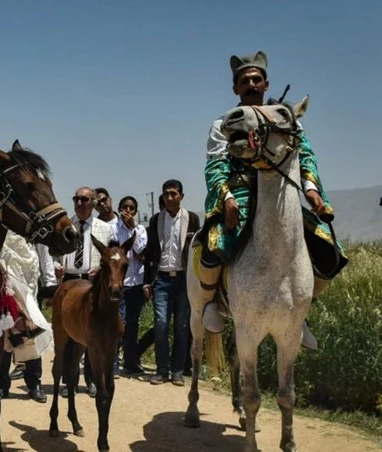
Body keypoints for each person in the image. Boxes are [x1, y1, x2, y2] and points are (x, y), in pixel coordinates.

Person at [198, 51, 348, 350]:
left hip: (281, 196)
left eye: (256, 79)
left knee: (329, 252)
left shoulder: (285, 117)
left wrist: (312, 189)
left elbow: (304, 155)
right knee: (213, 245)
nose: (251, 84)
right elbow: (216, 165)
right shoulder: (224, 123)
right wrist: (226, 197)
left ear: (266, 83)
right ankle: (211, 301)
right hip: (239, 193)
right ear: (235, 88)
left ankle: (300, 313)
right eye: (244, 81)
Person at [53, 187, 117, 397]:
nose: (79, 203)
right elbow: (53, 251)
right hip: (70, 280)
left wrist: (100, 270)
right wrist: (56, 265)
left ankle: (91, 379)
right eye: (76, 199)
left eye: (84, 199)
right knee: (69, 333)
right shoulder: (65, 225)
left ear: (93, 203)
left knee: (94, 334)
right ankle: (67, 381)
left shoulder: (105, 229)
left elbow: (112, 257)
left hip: (93, 283)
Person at [143, 180, 200, 386]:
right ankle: (162, 370)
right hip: (161, 279)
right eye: (166, 194)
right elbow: (150, 252)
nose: (169, 198)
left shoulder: (192, 219)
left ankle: (177, 371)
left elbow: (197, 251)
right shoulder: (156, 220)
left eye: (173, 194)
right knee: (161, 324)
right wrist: (146, 282)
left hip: (184, 280)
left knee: (183, 326)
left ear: (181, 196)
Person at [0, 243, 55, 403]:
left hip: (30, 289)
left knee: (31, 336)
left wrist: (50, 282)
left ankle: (34, 385)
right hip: (5, 287)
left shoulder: (34, 229)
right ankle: (1, 385)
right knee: (5, 336)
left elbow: (45, 254)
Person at [114, 196, 149, 376]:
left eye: (132, 208)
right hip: (119, 282)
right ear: (119, 209)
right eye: (125, 207)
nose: (128, 211)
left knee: (133, 324)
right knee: (119, 322)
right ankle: (113, 360)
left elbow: (142, 252)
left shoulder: (140, 229)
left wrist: (133, 228)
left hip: (136, 281)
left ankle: (130, 361)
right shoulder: (113, 229)